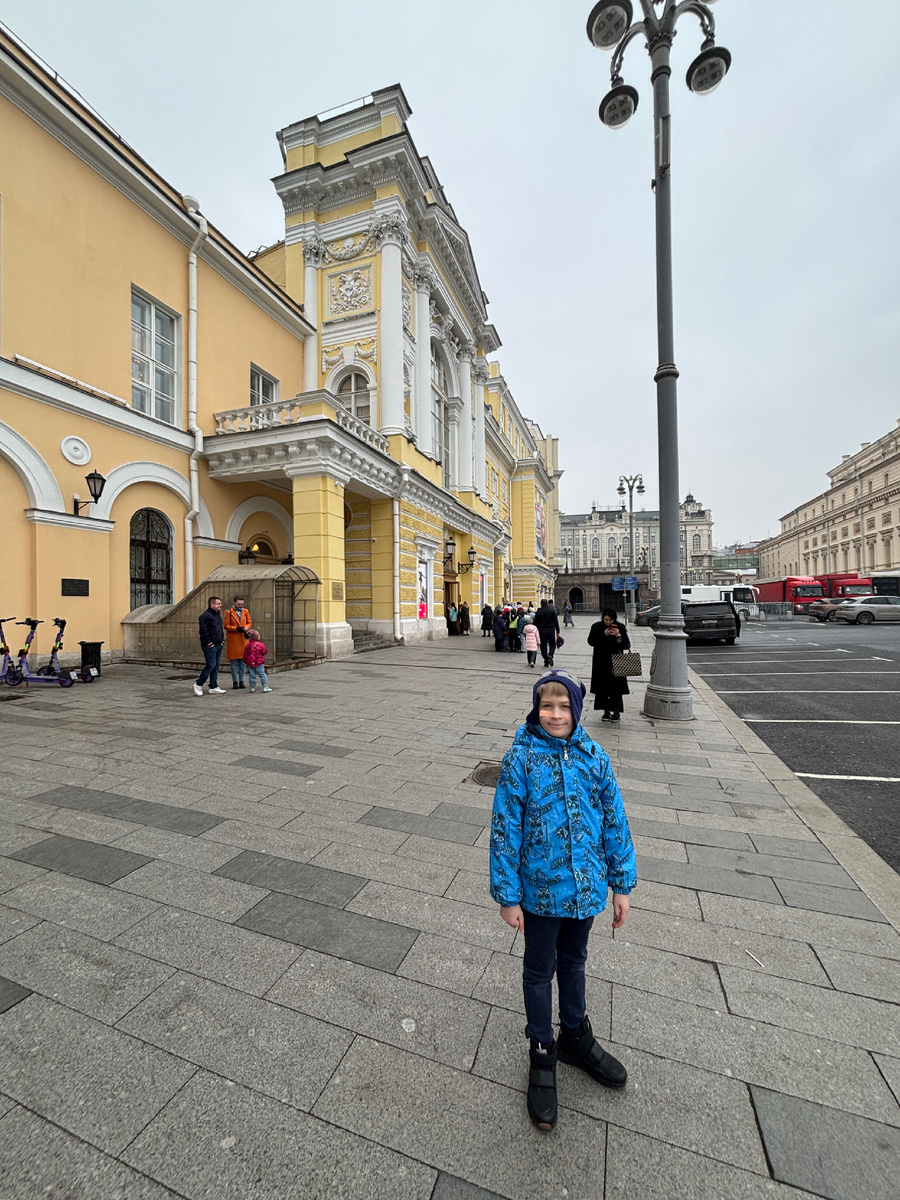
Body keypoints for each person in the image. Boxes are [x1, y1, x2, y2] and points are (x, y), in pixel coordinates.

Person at [490, 669, 636, 1131]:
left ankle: (574, 1034)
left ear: (577, 709)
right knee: (539, 971)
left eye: (564, 706)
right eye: (546, 706)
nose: (555, 714)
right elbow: (504, 830)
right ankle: (541, 1050)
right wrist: (507, 896)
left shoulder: (595, 757)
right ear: (537, 708)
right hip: (539, 890)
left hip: (586, 888)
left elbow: (615, 822)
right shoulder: (521, 760)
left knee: (574, 961)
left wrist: (622, 884)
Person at [587, 607, 631, 722]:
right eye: (606, 620)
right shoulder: (596, 627)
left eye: (610, 620)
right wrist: (604, 634)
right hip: (601, 662)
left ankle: (616, 712)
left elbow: (626, 645)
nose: (608, 622)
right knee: (602, 688)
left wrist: (618, 636)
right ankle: (605, 711)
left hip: (616, 661)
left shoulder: (620, 627)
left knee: (616, 689)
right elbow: (591, 641)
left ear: (614, 619)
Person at [193, 597, 226, 696]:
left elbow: (220, 629)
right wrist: (208, 642)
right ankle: (198, 684)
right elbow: (203, 631)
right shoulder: (205, 616)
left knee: (216, 666)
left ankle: (213, 686)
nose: (220, 605)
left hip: (218, 643)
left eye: (220, 603)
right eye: (218, 603)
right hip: (210, 645)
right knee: (211, 665)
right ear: (212, 604)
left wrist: (222, 640)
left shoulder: (217, 615)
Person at [224, 595, 253, 689]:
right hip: (233, 640)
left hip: (243, 639)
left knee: (242, 662)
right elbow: (226, 626)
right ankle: (235, 681)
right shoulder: (229, 612)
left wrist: (246, 627)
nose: (241, 606)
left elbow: (249, 622)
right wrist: (236, 628)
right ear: (234, 603)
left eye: (242, 604)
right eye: (239, 604)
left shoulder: (245, 611)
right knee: (233, 663)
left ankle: (242, 681)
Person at [243, 629, 272, 693]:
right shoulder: (260, 644)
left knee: (252, 675)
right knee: (262, 674)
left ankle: (252, 687)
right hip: (259, 662)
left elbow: (245, 654)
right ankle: (265, 686)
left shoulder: (248, 645)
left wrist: (245, 661)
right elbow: (264, 651)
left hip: (250, 662)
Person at [533, 598, 560, 668]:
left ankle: (546, 660)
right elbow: (556, 621)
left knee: (543, 645)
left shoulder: (538, 612)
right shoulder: (551, 611)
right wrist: (558, 631)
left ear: (541, 604)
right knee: (552, 644)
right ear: (547, 603)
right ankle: (550, 654)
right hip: (551, 629)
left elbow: (535, 623)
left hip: (542, 630)